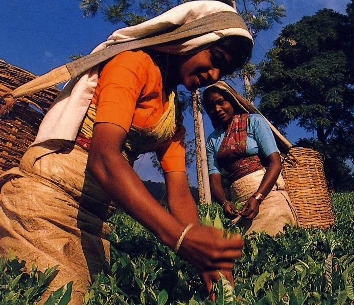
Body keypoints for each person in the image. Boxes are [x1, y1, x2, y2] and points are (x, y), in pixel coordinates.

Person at [0, 2, 253, 304]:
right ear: (194, 38)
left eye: (222, 71)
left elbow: (180, 193)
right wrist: (180, 239)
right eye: (216, 58)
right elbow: (104, 159)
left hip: (92, 220)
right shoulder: (133, 64)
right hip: (44, 204)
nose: (213, 74)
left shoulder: (172, 116)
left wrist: (207, 260)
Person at [201, 81, 298, 236]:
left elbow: (275, 162)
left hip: (269, 196)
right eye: (211, 107)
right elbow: (215, 179)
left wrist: (257, 198)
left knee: (273, 232)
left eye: (221, 102)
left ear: (231, 100)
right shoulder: (213, 140)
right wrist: (225, 203)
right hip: (241, 206)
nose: (217, 109)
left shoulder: (254, 122)